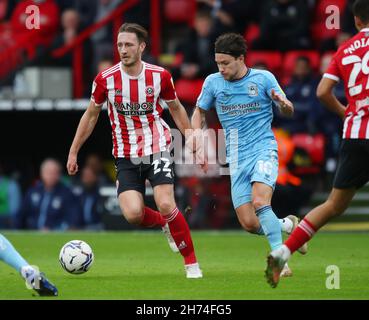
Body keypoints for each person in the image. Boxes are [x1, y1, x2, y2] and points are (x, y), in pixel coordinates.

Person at [66, 23, 202, 278]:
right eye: (119, 45)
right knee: (132, 214)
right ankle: (166, 224)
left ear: (142, 47)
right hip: (125, 154)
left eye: (128, 44)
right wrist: (74, 151)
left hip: (157, 147)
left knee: (164, 202)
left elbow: (176, 108)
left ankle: (192, 264)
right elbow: (91, 116)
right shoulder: (105, 79)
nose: (123, 50)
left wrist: (191, 137)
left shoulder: (159, 75)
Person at [265, 0, 369, 288]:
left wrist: (346, 111)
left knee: (333, 204)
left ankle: (283, 253)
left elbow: (323, 91)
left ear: (357, 21)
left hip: (355, 134)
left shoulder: (345, 49)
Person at [191, 32, 307, 278]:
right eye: (218, 63)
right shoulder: (213, 83)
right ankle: (289, 225)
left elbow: (288, 109)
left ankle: (280, 259)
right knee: (250, 223)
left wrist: (283, 104)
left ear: (241, 58)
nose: (221, 68)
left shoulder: (264, 79)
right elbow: (199, 111)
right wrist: (197, 138)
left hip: (263, 149)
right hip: (236, 157)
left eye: (226, 63)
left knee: (260, 202)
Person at [15, 158, 83, 231]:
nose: (51, 176)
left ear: (59, 174)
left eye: (55, 173)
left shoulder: (66, 193)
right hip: (32, 234)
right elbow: (20, 215)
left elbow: (72, 220)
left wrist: (54, 229)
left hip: (55, 235)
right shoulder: (33, 191)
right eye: (48, 172)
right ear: (42, 173)